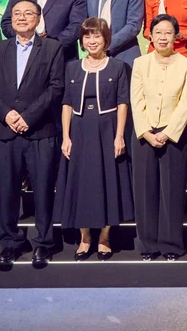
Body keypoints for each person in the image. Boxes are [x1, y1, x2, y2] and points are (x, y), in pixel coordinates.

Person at [0, 0, 64, 269]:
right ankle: (10, 243)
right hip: (7, 132)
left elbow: (55, 87)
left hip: (40, 131)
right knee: (7, 190)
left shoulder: (52, 47)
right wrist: (6, 115)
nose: (21, 17)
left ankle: (43, 243)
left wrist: (28, 117)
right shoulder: (1, 48)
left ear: (38, 19)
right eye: (16, 13)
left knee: (42, 190)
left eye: (28, 13)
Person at [58, 18, 133, 261]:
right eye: (87, 37)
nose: (92, 41)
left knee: (106, 182)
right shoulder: (72, 67)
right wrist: (66, 136)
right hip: (79, 131)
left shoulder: (118, 67)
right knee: (81, 183)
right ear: (81, 41)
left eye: (97, 36)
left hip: (107, 130)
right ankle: (84, 238)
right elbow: (67, 103)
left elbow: (123, 103)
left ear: (106, 39)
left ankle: (104, 237)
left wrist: (119, 135)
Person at [131, 14, 187, 261]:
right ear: (150, 34)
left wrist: (168, 133)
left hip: (174, 135)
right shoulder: (140, 63)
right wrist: (147, 132)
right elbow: (136, 101)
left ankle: (171, 245)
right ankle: (148, 246)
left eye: (168, 32)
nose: (162, 37)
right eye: (158, 32)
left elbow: (185, 103)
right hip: (144, 134)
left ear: (176, 36)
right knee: (145, 191)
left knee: (172, 191)